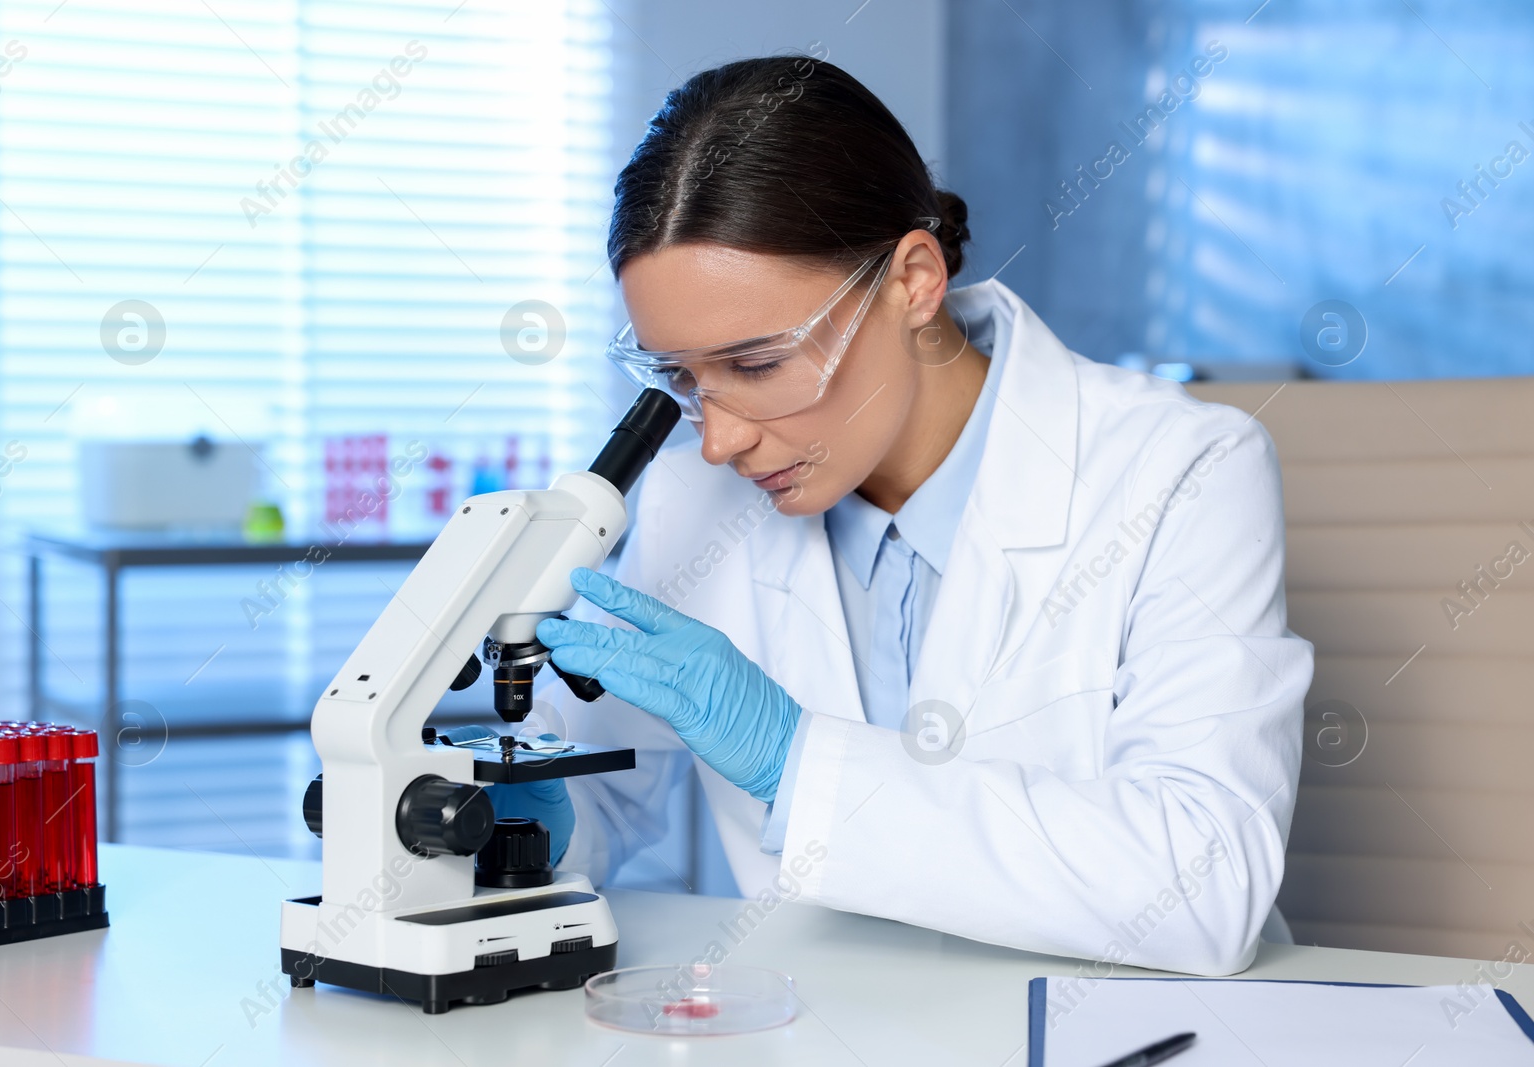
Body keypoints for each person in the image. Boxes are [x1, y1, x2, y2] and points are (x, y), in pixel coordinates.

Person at [488, 55, 1313, 977]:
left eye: (757, 365)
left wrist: (794, 758)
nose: (718, 441)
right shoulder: (690, 501)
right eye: (681, 378)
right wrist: (510, 818)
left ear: (913, 279)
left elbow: (1207, 882)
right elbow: (601, 792)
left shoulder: (1182, 470)